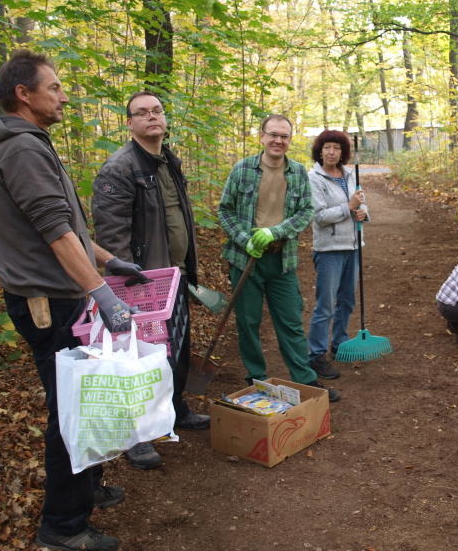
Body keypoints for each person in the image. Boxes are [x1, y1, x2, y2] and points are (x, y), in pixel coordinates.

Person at [0, 49, 140, 551]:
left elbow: (66, 223)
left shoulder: (27, 143)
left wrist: (109, 261)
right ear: (23, 94)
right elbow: (53, 232)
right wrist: (99, 291)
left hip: (63, 292)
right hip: (49, 301)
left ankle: (85, 487)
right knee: (71, 409)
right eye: (54, 87)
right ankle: (63, 527)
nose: (64, 95)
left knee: (83, 399)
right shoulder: (22, 150)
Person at [91, 91, 210, 471]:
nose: (151, 117)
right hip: (143, 282)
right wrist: (127, 285)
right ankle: (136, 436)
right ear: (129, 123)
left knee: (175, 349)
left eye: (156, 111)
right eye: (141, 113)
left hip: (175, 274)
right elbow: (111, 236)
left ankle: (175, 410)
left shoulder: (168, 161)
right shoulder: (119, 169)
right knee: (138, 358)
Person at [218, 114, 340, 402]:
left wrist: (276, 232)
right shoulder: (242, 169)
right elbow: (225, 211)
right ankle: (256, 379)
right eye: (273, 134)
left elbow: (305, 212)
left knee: (290, 320)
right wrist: (246, 239)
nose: (278, 140)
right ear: (262, 137)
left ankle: (306, 379)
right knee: (248, 322)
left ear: (289, 140)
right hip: (244, 258)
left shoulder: (297, 172)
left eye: (284, 136)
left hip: (281, 259)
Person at [306, 130, 368, 379]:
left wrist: (363, 212)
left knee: (347, 300)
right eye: (327, 148)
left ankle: (339, 343)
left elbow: (361, 202)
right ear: (320, 151)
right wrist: (349, 207)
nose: (332, 152)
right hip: (329, 249)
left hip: (353, 245)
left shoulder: (350, 174)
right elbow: (319, 217)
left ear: (343, 152)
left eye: (337, 148)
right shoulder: (314, 178)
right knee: (326, 305)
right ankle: (316, 355)